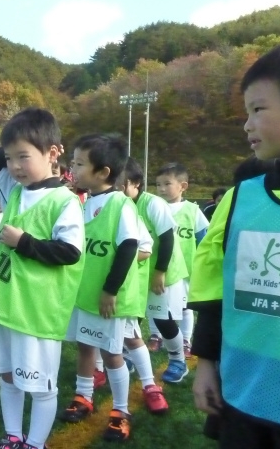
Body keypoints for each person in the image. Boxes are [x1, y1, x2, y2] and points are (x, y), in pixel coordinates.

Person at [190, 40, 280, 448]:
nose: (246, 125)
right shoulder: (240, 199)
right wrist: (206, 364)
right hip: (244, 398)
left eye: (258, 109)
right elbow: (217, 290)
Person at [0, 108, 85, 449]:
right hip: (5, 306)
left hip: (35, 312)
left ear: (54, 153)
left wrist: (24, 242)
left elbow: (71, 252)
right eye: (10, 158)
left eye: (23, 157)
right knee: (8, 375)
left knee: (40, 385)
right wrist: (14, 143)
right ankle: (13, 435)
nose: (14, 166)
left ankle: (35, 443)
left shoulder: (63, 200)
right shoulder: (18, 192)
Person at [60, 134, 165, 443]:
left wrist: (110, 290)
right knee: (84, 346)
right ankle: (83, 396)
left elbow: (129, 246)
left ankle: (120, 412)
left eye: (79, 164)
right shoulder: (85, 201)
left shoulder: (120, 204)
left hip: (106, 298)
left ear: (103, 172)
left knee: (111, 353)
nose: (73, 169)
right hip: (84, 294)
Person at [122, 157, 190, 383]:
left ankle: (178, 360)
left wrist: (160, 272)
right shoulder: (120, 204)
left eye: (121, 184)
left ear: (136, 183)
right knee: (131, 316)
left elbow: (167, 239)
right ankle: (129, 356)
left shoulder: (153, 204)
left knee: (162, 319)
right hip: (137, 272)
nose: (117, 189)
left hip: (162, 271)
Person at [155, 163, 209, 358]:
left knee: (186, 307)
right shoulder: (156, 207)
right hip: (161, 267)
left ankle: (185, 339)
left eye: (167, 184)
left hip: (186, 269)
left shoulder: (192, 211)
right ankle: (156, 335)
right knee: (157, 303)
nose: (161, 189)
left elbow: (204, 239)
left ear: (183, 186)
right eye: (158, 184)